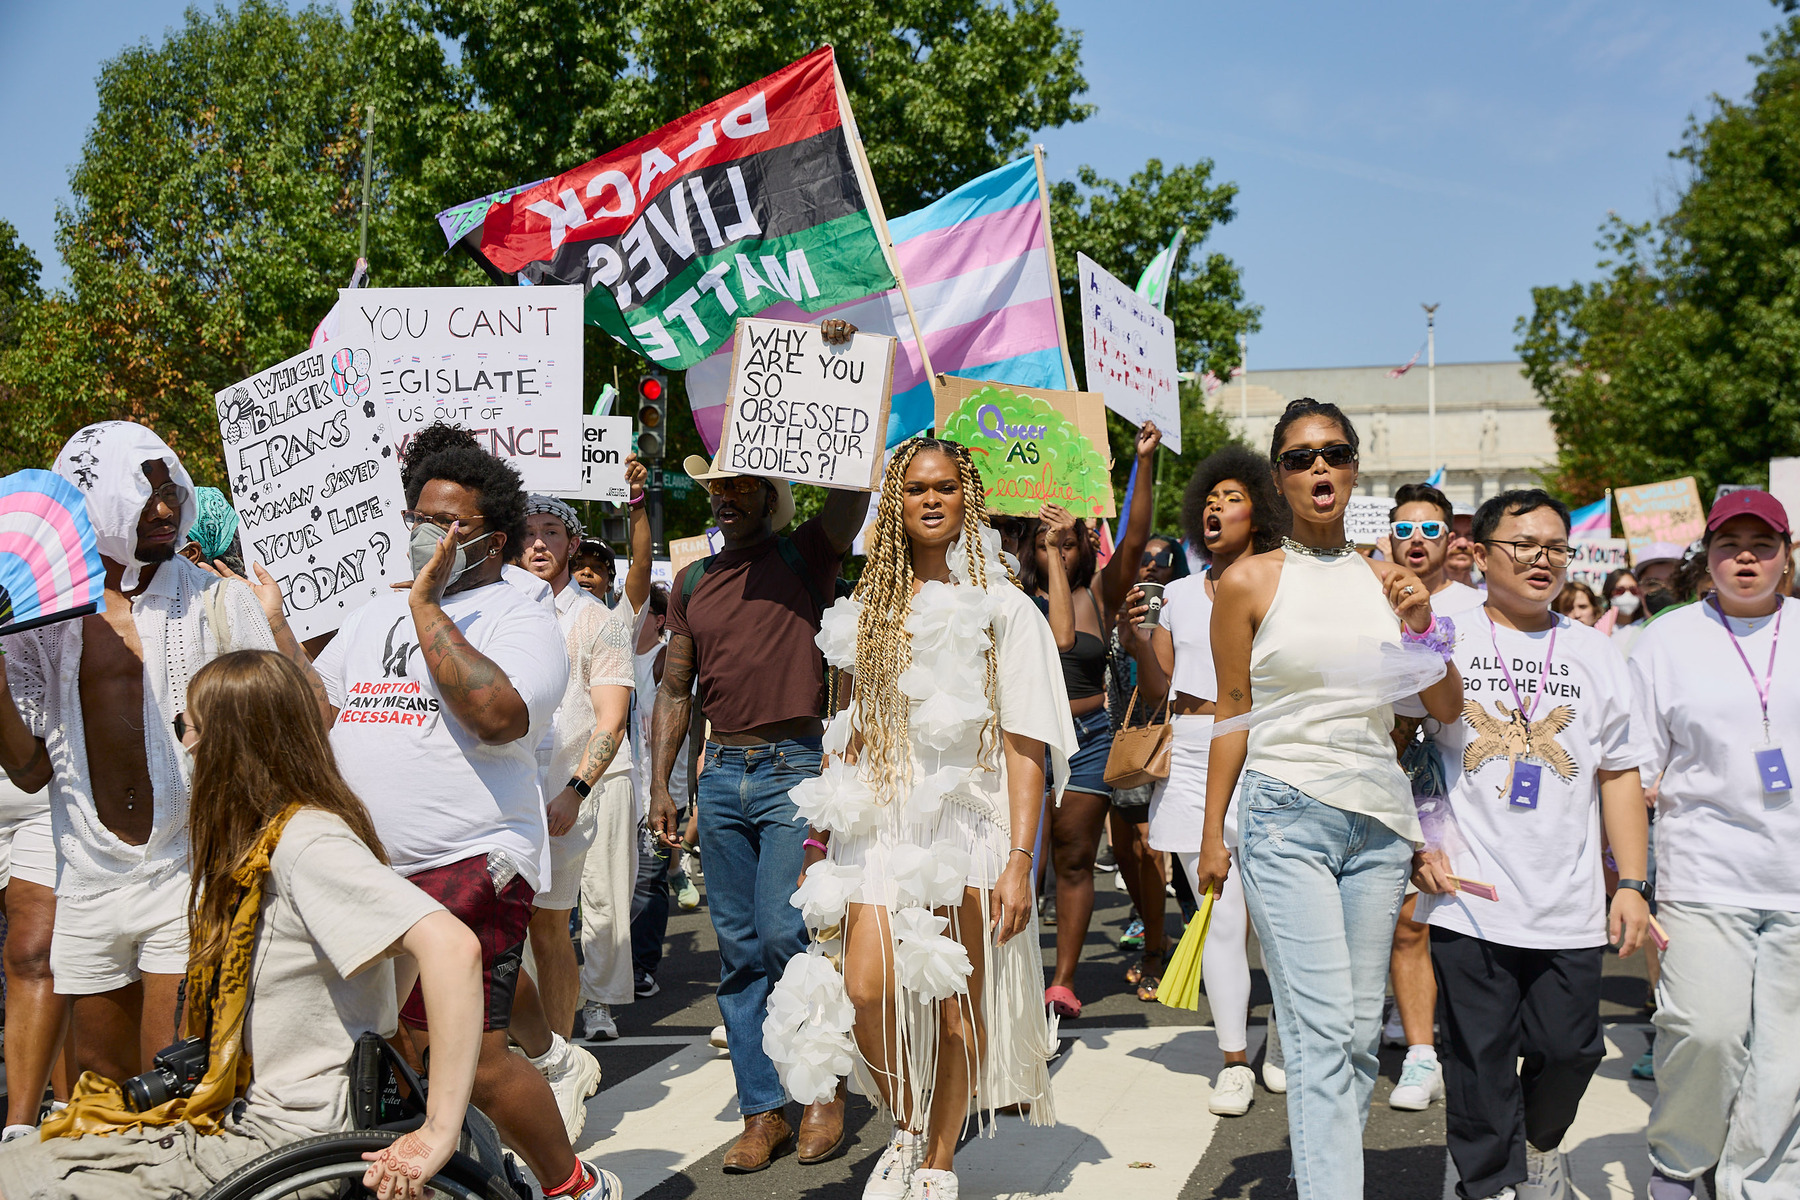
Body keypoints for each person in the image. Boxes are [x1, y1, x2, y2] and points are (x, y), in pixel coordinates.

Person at [0, 648, 522, 1200]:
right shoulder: (272, 838)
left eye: (188, 726)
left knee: (16, 1178)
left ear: (230, 742)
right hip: (253, 1126)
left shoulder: (305, 841)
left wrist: (437, 1132)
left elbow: (450, 947)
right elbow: (399, 957)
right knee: (34, 1152)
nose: (185, 743)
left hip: (283, 1147)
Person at [768, 437, 1076, 1200]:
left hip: (965, 826)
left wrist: (1018, 858)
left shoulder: (1007, 608)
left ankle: (938, 1159)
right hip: (877, 824)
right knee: (866, 990)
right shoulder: (873, 610)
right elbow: (851, 731)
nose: (929, 500)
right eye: (913, 490)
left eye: (944, 488)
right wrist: (821, 840)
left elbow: (1025, 744)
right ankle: (906, 1126)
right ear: (895, 506)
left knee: (948, 999)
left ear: (968, 499)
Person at [313, 442, 608, 1198]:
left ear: (492, 539)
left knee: (469, 1062)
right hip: (377, 869)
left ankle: (571, 1183)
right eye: (420, 517)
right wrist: (282, 629)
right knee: (405, 1047)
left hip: (474, 859)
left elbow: (499, 715)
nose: (429, 533)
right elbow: (318, 706)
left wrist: (426, 608)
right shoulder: (374, 607)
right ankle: (473, 1169)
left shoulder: (521, 610)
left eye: (448, 523)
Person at [0, 422, 318, 1090]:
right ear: (93, 500)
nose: (166, 508)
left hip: (188, 870)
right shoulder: (44, 624)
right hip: (86, 878)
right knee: (102, 1086)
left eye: (170, 487)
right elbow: (29, 770)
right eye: (142, 494)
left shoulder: (217, 601)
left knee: (174, 1082)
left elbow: (287, 731)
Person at [1199, 398, 1463, 1199]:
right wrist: (1214, 830)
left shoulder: (1393, 580)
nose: (1320, 468)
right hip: (1287, 816)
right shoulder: (1246, 582)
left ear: (1354, 470)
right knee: (1317, 1037)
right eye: (1300, 457)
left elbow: (1447, 711)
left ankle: (1325, 1172)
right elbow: (1231, 711)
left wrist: (1422, 628)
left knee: (1352, 1037)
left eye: (1335, 453)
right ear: (1278, 478)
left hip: (1380, 825)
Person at [646, 316, 870, 1175]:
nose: (727, 496)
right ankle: (763, 1108)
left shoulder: (806, 554)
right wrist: (667, 784)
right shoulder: (692, 582)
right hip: (724, 775)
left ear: (770, 492)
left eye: (744, 484)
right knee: (738, 954)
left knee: (785, 938)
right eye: (718, 489)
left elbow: (849, 494)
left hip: (793, 773)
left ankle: (821, 1092)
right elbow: (674, 687)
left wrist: (836, 369)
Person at [1408, 489, 1650, 1200]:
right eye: (1523, 545)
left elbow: (1619, 773)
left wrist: (1631, 883)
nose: (1541, 559)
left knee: (1569, 1052)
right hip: (1471, 895)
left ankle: (1541, 1146)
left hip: (1568, 899)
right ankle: (1486, 1182)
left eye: (1553, 547)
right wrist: (1423, 844)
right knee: (1478, 1058)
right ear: (1479, 554)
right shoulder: (1442, 631)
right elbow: (1409, 746)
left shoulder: (1595, 653)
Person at [1630, 489, 1800, 1200]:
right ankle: (1678, 1162)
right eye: (1732, 545)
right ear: (1709, 557)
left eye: (1764, 545)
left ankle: (1760, 1182)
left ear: (1787, 558)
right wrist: (1630, 879)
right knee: (1705, 1031)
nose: (1748, 558)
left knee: (1783, 1061)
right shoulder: (1668, 639)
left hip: (1794, 883)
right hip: (1703, 874)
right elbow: (1634, 769)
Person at [1127, 444, 1288, 1116]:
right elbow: (1163, 687)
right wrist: (1138, 636)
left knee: (1279, 916)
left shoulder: (1285, 583)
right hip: (1193, 755)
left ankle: (1282, 1041)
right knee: (1221, 917)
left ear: (1262, 508)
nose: (1218, 510)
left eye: (1233, 498)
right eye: (1210, 502)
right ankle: (1232, 1059)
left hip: (1271, 749)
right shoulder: (1179, 596)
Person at [1020, 422, 1161, 1019]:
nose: (1064, 544)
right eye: (1052, 537)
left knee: (1074, 859)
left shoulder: (1100, 595)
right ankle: (1013, 972)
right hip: (1022, 740)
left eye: (1074, 537)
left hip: (1087, 738)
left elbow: (1134, 536)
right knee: (1020, 861)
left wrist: (1143, 462)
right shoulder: (1007, 595)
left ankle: (1064, 979)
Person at [518, 478, 652, 1069]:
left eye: (552, 532)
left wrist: (576, 790)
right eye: (528, 534)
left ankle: (558, 1060)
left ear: (573, 545)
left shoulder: (597, 621)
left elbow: (611, 719)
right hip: (500, 800)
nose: (539, 544)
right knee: (500, 939)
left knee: (550, 929)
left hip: (564, 800)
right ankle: (513, 1059)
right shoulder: (497, 610)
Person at [1382, 481, 1487, 1112]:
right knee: (1403, 920)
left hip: (1462, 777)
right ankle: (1421, 1052)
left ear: (1451, 540)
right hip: (1385, 773)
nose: (1415, 541)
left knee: (1446, 915)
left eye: (1429, 530)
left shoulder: (1478, 611)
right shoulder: (1367, 600)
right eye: (1403, 529)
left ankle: (1463, 1034)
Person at [1106, 531, 1188, 996]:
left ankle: (1156, 951)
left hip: (1176, 741)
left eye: (1163, 558)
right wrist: (1126, 633)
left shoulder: (1184, 611)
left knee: (1151, 848)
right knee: (1126, 851)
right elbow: (1115, 680)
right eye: (1145, 558)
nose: (1152, 565)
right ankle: (1155, 925)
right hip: (1130, 744)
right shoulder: (1123, 612)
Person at [572, 540, 618, 605]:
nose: (586, 572)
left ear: (609, 585)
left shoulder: (615, 614)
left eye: (597, 567)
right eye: (578, 565)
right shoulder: (553, 610)